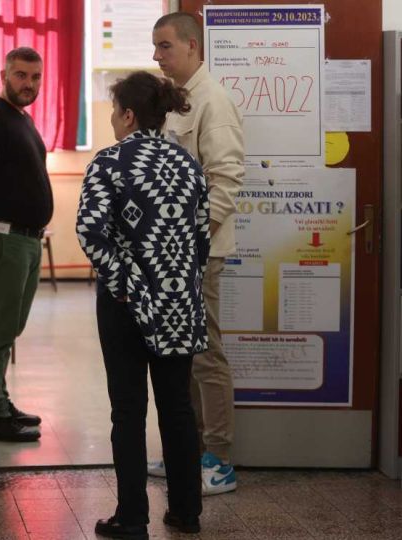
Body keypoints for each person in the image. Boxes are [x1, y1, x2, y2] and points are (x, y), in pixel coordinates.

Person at [77, 71, 209, 539]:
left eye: (114, 112)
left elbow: (90, 233)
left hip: (126, 304)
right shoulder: (187, 164)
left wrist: (127, 282)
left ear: (128, 115)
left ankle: (131, 516)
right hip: (179, 302)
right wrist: (177, 281)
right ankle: (186, 511)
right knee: (177, 407)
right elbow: (201, 237)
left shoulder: (110, 163)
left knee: (128, 410)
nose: (113, 120)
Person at [149, 12, 244, 495]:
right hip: (173, 255)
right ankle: (185, 450)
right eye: (155, 47)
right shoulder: (177, 101)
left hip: (199, 253)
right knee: (180, 353)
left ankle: (219, 457)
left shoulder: (214, 100)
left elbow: (225, 181)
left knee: (205, 354)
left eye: (164, 46)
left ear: (190, 45)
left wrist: (195, 240)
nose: (157, 56)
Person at [0, 47, 53, 442]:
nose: (29, 84)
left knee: (10, 327)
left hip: (26, 240)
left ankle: (1, 402)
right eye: (21, 75)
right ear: (3, 72)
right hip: (4, 240)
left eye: (36, 77)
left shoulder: (20, 120)